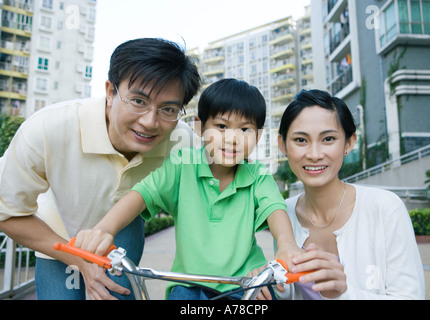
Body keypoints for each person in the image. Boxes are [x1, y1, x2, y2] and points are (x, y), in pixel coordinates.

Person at [0, 38, 201, 300]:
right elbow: (7, 213)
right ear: (110, 92)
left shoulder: (184, 143)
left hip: (123, 229)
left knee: (117, 294)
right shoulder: (47, 129)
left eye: (168, 109)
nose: (150, 122)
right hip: (58, 231)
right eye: (138, 101)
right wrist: (79, 260)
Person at [75, 78, 303, 300]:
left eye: (245, 130)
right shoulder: (181, 165)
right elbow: (141, 194)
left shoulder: (259, 176)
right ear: (200, 127)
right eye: (221, 126)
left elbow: (275, 210)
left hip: (246, 282)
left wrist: (287, 245)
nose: (233, 139)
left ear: (258, 135)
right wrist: (104, 228)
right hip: (188, 284)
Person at [273, 89, 425, 299]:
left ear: (349, 142)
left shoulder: (385, 208)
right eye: (300, 140)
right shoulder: (282, 214)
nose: (314, 154)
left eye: (328, 139)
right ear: (283, 145)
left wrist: (343, 294)